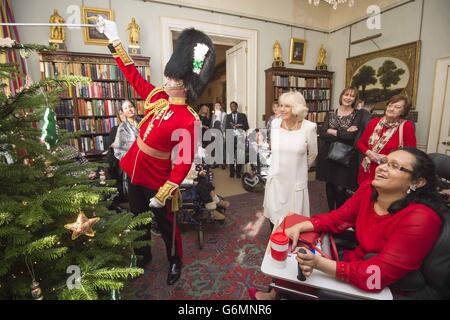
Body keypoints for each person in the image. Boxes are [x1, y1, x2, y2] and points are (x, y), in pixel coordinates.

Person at [96, 17, 216, 285]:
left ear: (185, 84)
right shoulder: (158, 97)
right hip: (134, 170)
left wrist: (164, 193)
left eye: (173, 76)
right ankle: (143, 253)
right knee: (138, 219)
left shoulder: (190, 119)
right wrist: (114, 40)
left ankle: (175, 260)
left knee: (166, 226)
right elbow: (132, 74)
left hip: (158, 180)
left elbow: (183, 162)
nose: (167, 78)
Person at [286, 148, 446, 296]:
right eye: (384, 162)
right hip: (353, 262)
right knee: (289, 268)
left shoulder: (421, 218)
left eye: (394, 166)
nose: (382, 168)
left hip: (383, 287)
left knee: (300, 283)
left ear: (417, 182)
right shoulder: (369, 189)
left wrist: (320, 264)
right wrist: (303, 225)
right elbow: (339, 218)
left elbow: (378, 275)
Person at [316, 87, 363, 211]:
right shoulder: (331, 112)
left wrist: (332, 131)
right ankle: (331, 212)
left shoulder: (357, 114)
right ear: (341, 96)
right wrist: (342, 132)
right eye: (346, 95)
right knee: (329, 184)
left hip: (345, 156)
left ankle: (340, 215)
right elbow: (322, 134)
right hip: (328, 154)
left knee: (340, 188)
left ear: (355, 99)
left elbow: (351, 137)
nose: (348, 98)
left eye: (352, 96)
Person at [357, 94, 416, 184]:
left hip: (388, 174)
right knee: (364, 195)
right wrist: (369, 153)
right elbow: (360, 143)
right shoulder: (374, 122)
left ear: (403, 111)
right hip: (367, 169)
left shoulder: (406, 126)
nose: (391, 109)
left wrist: (388, 159)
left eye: (397, 107)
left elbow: (411, 153)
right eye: (390, 105)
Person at [225, 101, 249, 178]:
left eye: (234, 106)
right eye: (231, 107)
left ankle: (238, 172)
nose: (233, 108)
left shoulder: (243, 116)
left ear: (236, 107)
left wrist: (239, 127)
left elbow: (246, 127)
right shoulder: (228, 116)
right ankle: (232, 172)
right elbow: (226, 128)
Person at [107, 109, 126, 210]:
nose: (123, 115)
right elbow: (112, 145)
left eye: (124, 112)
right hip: (117, 159)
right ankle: (115, 203)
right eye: (121, 113)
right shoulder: (115, 129)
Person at [210, 102, 227, 169]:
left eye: (218, 105)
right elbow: (211, 124)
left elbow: (224, 124)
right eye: (215, 105)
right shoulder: (213, 114)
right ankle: (215, 163)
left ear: (220, 107)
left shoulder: (224, 114)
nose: (216, 106)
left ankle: (223, 163)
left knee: (221, 148)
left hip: (220, 131)